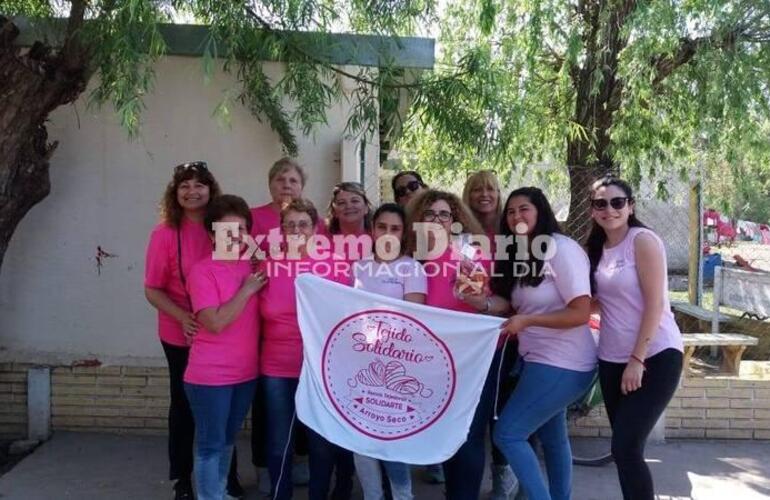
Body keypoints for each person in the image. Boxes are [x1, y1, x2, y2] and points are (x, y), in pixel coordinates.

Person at [478, 187, 596, 500]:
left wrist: (528, 322)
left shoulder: (560, 248)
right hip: (538, 359)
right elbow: (512, 303)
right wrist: (480, 302)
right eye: (511, 211)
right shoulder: (518, 252)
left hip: (564, 363)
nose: (517, 216)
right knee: (554, 439)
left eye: (524, 209)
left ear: (540, 211)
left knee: (508, 433)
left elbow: (580, 312)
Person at [144, 162, 243, 500]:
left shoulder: (225, 227)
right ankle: (183, 480)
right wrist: (182, 316)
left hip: (223, 333)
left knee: (224, 412)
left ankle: (226, 479)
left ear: (210, 189)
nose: (192, 192)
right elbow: (152, 289)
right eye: (184, 186)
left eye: (199, 185)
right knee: (186, 408)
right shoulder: (164, 234)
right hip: (181, 332)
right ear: (175, 193)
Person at [585, 176, 683, 500]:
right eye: (601, 203)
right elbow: (605, 300)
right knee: (627, 451)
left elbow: (655, 304)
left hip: (654, 355)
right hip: (611, 358)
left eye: (617, 202)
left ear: (630, 206)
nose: (609, 209)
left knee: (624, 447)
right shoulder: (597, 248)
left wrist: (637, 360)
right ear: (592, 210)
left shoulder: (642, 241)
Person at [406, 189, 497, 499]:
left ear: (455, 220)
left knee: (469, 437)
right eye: (429, 214)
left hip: (472, 360)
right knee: (441, 434)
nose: (436, 220)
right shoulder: (410, 259)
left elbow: (498, 302)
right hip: (429, 364)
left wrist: (481, 301)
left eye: (444, 214)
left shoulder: (472, 254)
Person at [259, 199, 352, 500]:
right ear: (282, 230)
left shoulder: (335, 264)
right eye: (290, 225)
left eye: (303, 224)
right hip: (277, 365)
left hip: (319, 366)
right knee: (279, 440)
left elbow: (348, 314)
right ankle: (279, 494)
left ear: (315, 228)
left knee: (320, 441)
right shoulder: (269, 265)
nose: (297, 230)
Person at [184, 195, 265, 500]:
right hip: (210, 376)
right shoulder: (202, 271)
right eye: (226, 231)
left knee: (228, 439)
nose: (235, 237)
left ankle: (218, 492)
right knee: (210, 444)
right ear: (212, 234)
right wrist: (246, 290)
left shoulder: (251, 265)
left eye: (241, 230)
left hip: (246, 372)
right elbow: (215, 322)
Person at [249, 157, 315, 490]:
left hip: (306, 342)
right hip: (266, 321)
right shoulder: (254, 217)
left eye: (292, 180)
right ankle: (268, 468)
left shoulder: (313, 226)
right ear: (270, 183)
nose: (286, 185)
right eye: (280, 179)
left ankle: (300, 462)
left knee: (305, 414)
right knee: (269, 410)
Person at [352, 203, 426, 500]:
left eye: (395, 228)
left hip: (397, 366)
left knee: (391, 439)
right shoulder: (359, 267)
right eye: (382, 227)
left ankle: (402, 495)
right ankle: (373, 495)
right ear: (372, 230)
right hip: (361, 364)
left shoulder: (412, 268)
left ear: (404, 233)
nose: (387, 233)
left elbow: (413, 320)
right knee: (361, 439)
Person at [462, 170, 517, 499]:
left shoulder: (512, 234)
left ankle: (503, 474)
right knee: (471, 413)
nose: (484, 194)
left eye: (491, 189)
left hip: (506, 334)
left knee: (501, 410)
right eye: (477, 189)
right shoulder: (459, 234)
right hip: (468, 336)